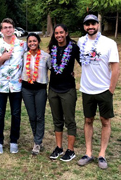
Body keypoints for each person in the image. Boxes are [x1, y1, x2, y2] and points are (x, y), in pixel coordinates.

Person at [77, 14, 120, 169]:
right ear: (84, 26)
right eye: (87, 24)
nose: (90, 27)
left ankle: (102, 154)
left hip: (104, 90)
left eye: (93, 24)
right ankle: (88, 153)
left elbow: (115, 68)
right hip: (87, 89)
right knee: (88, 120)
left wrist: (111, 90)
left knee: (105, 121)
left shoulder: (109, 43)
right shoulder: (81, 42)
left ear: (98, 24)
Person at [0, 18, 26, 154]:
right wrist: (2, 58)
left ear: (14, 28)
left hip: (17, 85)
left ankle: (13, 141)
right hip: (0, 85)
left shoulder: (22, 45)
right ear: (1, 30)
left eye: (10, 27)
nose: (8, 29)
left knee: (16, 114)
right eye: (5, 27)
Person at [48, 24, 80, 162]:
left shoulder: (73, 47)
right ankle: (59, 147)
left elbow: (84, 63)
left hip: (68, 90)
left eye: (61, 32)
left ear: (66, 33)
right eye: (56, 33)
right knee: (57, 120)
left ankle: (71, 150)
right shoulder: (52, 48)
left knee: (70, 121)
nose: (59, 35)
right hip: (53, 89)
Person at [21, 33, 50, 155]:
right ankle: (37, 139)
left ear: (38, 42)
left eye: (34, 41)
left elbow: (53, 69)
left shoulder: (45, 56)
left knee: (39, 116)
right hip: (26, 89)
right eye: (30, 41)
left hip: (40, 89)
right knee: (32, 116)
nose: (32, 43)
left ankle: (37, 142)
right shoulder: (24, 56)